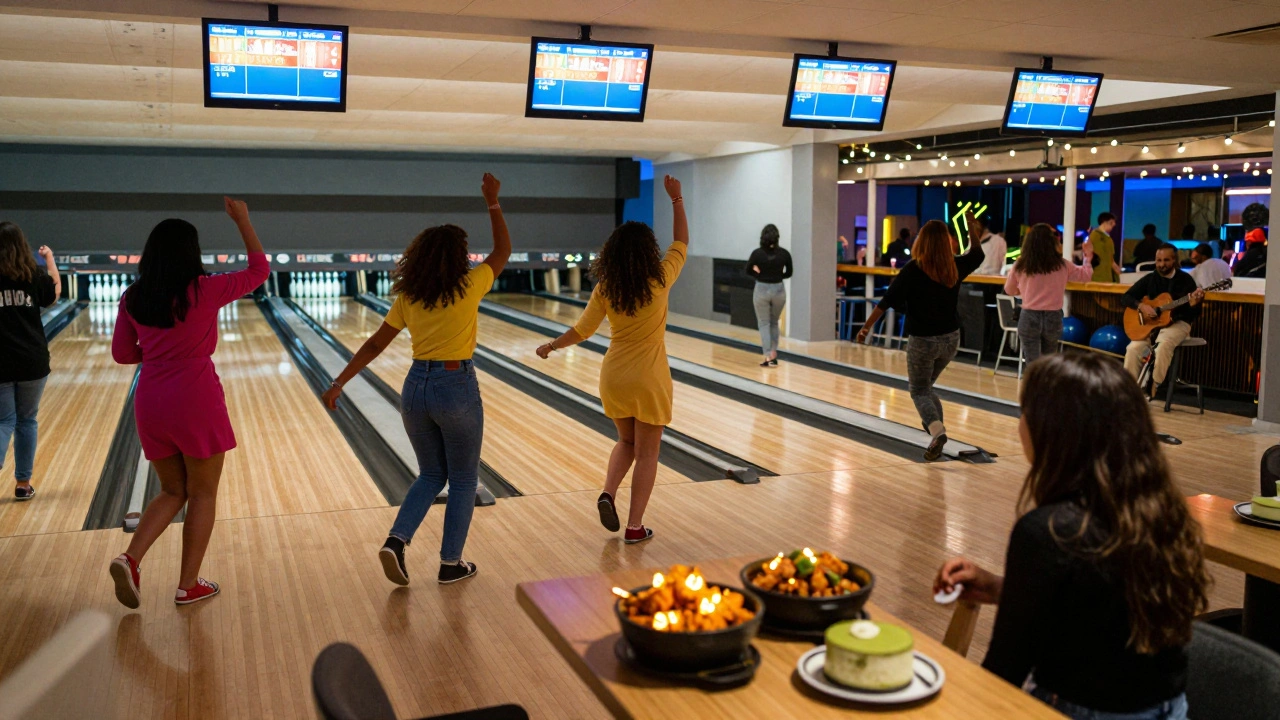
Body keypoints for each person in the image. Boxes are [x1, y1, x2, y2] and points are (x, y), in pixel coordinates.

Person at [935, 352, 1208, 720]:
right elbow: (1106, 608)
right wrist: (1006, 589)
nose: (1020, 425)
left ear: (1055, 431)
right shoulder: (1157, 509)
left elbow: (1003, 674)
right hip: (1169, 709)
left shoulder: (1049, 531)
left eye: (1024, 413)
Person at [322, 174, 509, 586]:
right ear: (459, 258)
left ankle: (396, 541)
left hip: (414, 388)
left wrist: (339, 383)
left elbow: (374, 345)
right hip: (456, 384)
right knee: (462, 479)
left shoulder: (409, 297)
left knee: (430, 475)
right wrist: (492, 202)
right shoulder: (472, 284)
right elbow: (503, 250)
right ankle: (450, 563)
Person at [108, 198, 270, 608]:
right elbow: (259, 270)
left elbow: (123, 355)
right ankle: (188, 585)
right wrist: (243, 221)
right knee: (202, 493)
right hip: (195, 397)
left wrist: (160, 355)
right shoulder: (205, 288)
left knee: (171, 490)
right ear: (191, 253)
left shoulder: (133, 297)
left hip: (151, 400)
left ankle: (131, 559)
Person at [536, 175, 688, 544]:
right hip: (650, 378)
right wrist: (677, 199)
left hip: (614, 376)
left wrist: (552, 346)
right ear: (648, 251)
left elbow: (583, 331)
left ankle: (608, 492)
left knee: (627, 443)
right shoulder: (661, 278)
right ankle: (635, 527)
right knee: (648, 453)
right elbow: (682, 241)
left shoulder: (606, 288)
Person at [855, 214, 984, 461]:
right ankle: (938, 433)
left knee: (919, 391)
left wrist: (866, 328)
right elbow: (977, 253)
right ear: (947, 243)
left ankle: (937, 432)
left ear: (921, 242)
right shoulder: (954, 266)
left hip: (923, 340)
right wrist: (971, 229)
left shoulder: (914, 269)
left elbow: (887, 300)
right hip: (951, 339)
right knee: (927, 388)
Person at [0, 223, 60, 502]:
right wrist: (49, 259)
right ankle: (23, 483)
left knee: (3, 421)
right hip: (32, 362)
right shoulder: (33, 275)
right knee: (26, 420)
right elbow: (55, 293)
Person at [1121, 244, 1204, 398]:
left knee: (1162, 345)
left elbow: (1195, 314)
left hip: (1179, 324)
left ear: (1174, 260)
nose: (1161, 264)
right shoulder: (1151, 278)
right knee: (1133, 349)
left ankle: (1155, 386)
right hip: (1152, 328)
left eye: (1166, 260)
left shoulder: (1185, 280)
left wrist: (1193, 305)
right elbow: (1126, 297)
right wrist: (1142, 306)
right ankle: (1129, 393)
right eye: (1158, 260)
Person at [1003, 224, 1093, 364]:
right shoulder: (1063, 265)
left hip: (1029, 315)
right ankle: (1046, 386)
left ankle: (1032, 385)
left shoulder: (1021, 264)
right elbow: (1086, 275)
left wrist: (1024, 290)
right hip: (1053, 317)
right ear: (1053, 243)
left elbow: (1009, 290)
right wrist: (1088, 257)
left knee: (1032, 363)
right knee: (1048, 363)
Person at [745, 224, 792, 367]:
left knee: (764, 323)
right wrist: (777, 275)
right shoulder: (784, 254)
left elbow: (748, 270)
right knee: (774, 322)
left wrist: (759, 274)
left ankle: (768, 356)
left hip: (762, 289)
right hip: (779, 290)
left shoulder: (757, 254)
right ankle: (773, 352)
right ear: (777, 237)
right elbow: (789, 273)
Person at [1089, 213, 1122, 283]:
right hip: (1098, 274)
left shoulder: (1108, 238)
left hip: (1107, 274)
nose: (1114, 224)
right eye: (1111, 223)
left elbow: (1110, 259)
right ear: (1104, 222)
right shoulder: (1095, 235)